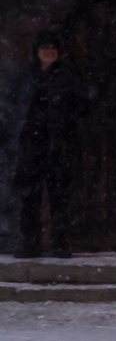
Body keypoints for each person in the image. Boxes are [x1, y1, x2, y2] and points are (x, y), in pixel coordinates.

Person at [13, 36, 84, 257]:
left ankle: (60, 244)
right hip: (31, 144)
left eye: (53, 47)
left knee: (59, 196)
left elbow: (80, 106)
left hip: (58, 144)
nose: (49, 51)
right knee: (30, 197)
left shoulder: (67, 77)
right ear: (36, 51)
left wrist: (66, 127)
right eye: (45, 47)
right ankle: (30, 244)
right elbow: (16, 105)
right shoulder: (26, 76)